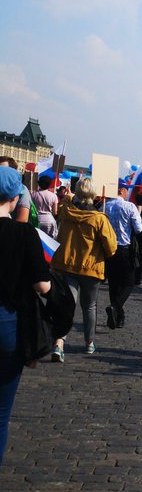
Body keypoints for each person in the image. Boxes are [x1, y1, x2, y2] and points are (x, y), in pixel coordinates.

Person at [0, 166, 51, 466]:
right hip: (7, 325)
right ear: (15, 197)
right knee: (1, 414)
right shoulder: (24, 234)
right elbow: (42, 285)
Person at [50, 177, 117, 359]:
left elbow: (63, 201)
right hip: (90, 268)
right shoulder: (99, 218)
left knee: (66, 306)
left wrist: (70, 194)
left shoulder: (66, 211)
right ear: (93, 194)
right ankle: (89, 342)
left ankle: (59, 342)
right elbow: (111, 248)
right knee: (89, 306)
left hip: (67, 265)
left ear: (77, 193)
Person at [103, 180, 142, 330]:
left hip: (109, 249)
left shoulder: (105, 207)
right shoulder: (129, 206)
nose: (128, 193)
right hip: (125, 249)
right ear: (121, 190)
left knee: (113, 283)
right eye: (127, 190)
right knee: (128, 282)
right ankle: (116, 306)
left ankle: (118, 316)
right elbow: (139, 229)